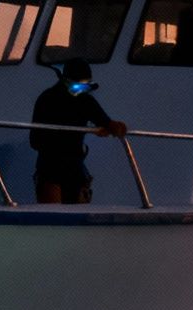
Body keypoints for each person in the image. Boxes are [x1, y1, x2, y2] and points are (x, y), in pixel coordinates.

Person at [29, 60, 126, 204]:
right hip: (69, 168)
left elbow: (35, 141)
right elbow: (110, 125)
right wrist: (111, 128)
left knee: (52, 217)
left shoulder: (46, 97)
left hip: (49, 166)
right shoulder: (84, 100)